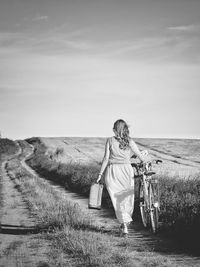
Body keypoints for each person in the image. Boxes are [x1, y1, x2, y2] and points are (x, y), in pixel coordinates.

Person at [96, 119, 146, 236]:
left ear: (115, 129)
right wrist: (145, 157)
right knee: (126, 199)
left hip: (112, 171)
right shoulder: (129, 141)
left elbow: (105, 159)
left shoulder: (109, 141)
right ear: (125, 129)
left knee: (116, 200)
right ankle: (125, 224)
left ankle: (124, 225)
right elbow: (140, 156)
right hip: (126, 172)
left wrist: (100, 175)